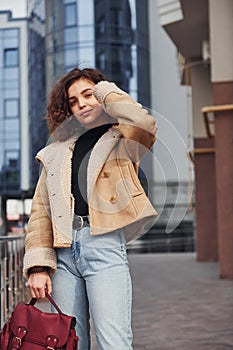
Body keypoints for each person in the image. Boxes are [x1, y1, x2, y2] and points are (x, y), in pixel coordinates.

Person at [23, 67, 158, 350]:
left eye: (88, 95)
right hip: (62, 256)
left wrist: (103, 90)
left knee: (114, 342)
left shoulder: (123, 140)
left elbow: (144, 122)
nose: (81, 103)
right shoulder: (54, 151)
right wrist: (38, 265)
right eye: (73, 100)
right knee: (70, 343)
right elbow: (41, 211)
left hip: (104, 245)